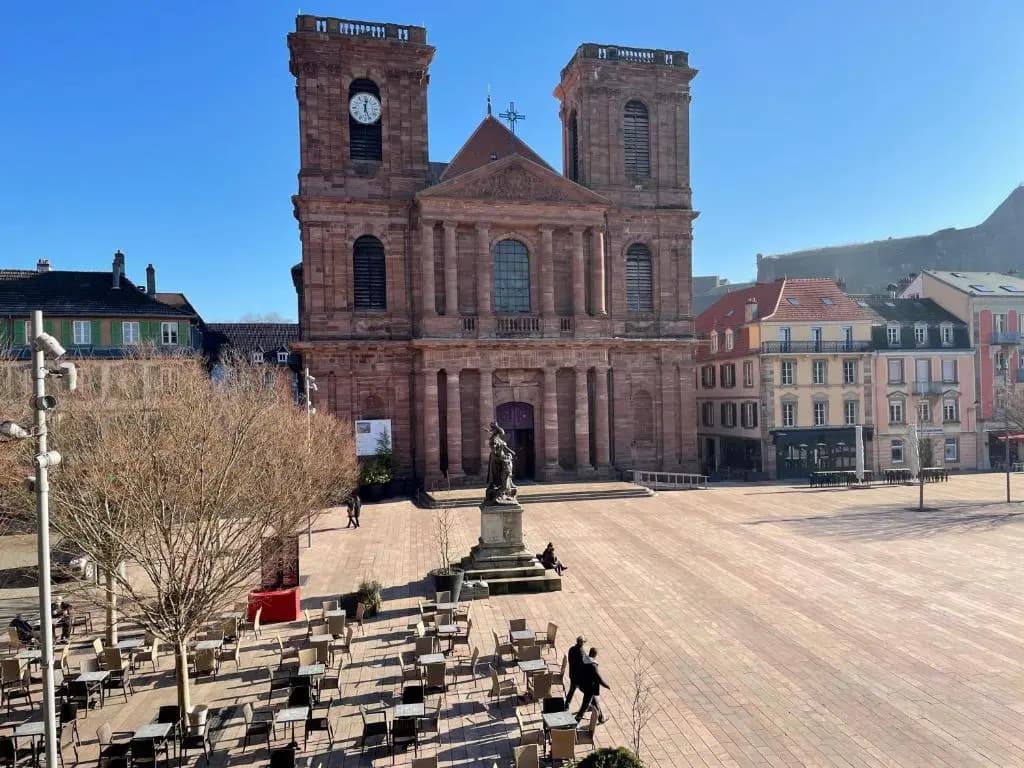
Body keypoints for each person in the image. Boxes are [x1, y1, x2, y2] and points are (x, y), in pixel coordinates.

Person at [576, 647, 610, 724]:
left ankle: (601, 719)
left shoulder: (584, 660)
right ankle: (575, 721)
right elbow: (599, 679)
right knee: (584, 706)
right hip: (589, 689)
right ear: (595, 655)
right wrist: (607, 686)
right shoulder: (593, 666)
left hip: (582, 685)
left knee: (595, 702)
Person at [565, 635, 586, 706]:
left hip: (572, 674)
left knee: (572, 689)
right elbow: (583, 665)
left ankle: (566, 704)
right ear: (581, 643)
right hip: (579, 676)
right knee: (587, 691)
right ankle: (589, 704)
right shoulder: (581, 652)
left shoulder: (571, 649)